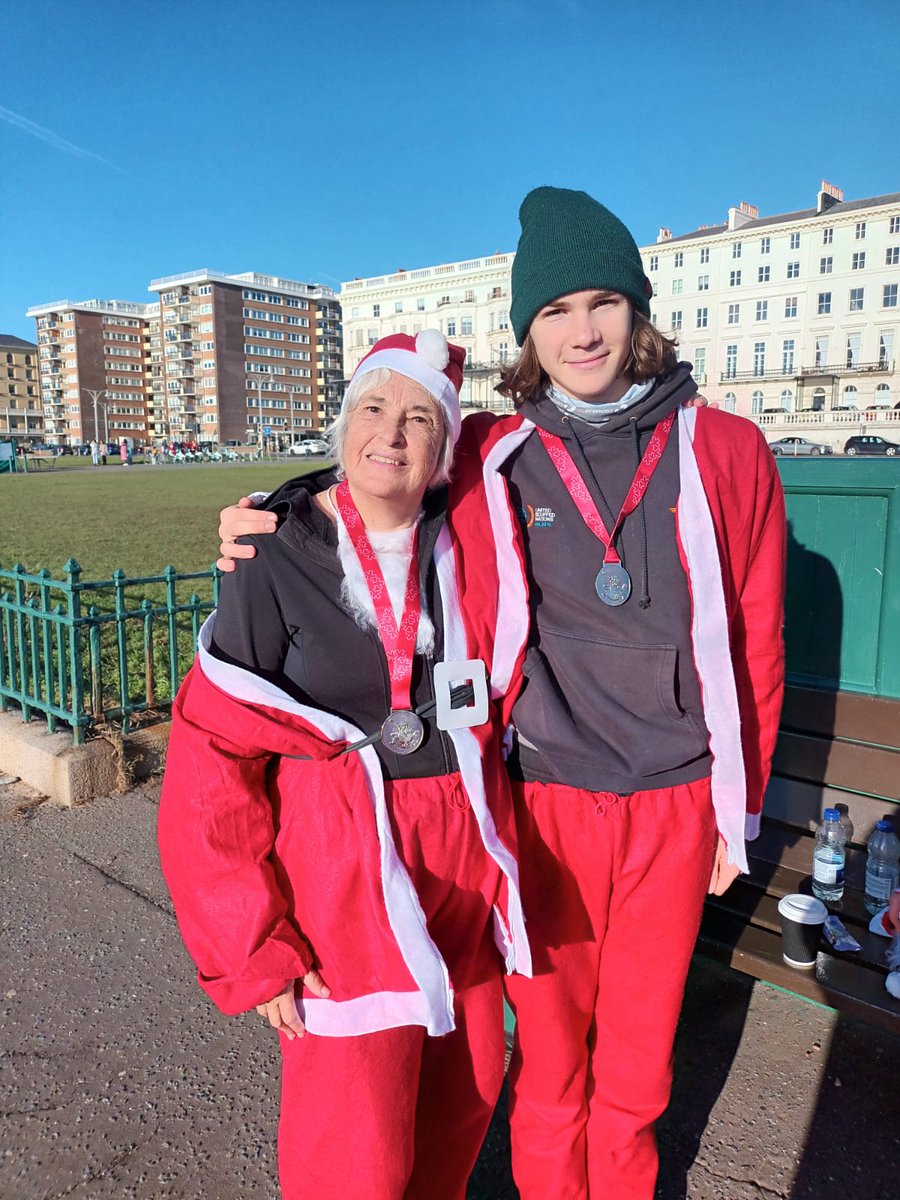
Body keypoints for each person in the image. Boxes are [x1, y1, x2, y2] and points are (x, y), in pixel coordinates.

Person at [217, 187, 787, 1199]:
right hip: (542, 804)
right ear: (528, 326)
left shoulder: (729, 449)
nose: (582, 330)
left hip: (673, 804)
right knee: (552, 1071)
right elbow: (384, 457)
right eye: (555, 309)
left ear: (637, 309)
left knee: (638, 1077)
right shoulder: (493, 449)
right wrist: (275, 513)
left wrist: (731, 819)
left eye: (602, 301)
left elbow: (756, 643)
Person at [158, 330, 531, 1200]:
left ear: (446, 449)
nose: (390, 435)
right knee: (352, 1151)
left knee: (462, 1106)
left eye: (416, 420)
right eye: (372, 408)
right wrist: (253, 945)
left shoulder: (472, 533)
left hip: (462, 882)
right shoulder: (272, 552)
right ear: (341, 423)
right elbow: (213, 760)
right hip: (342, 890)